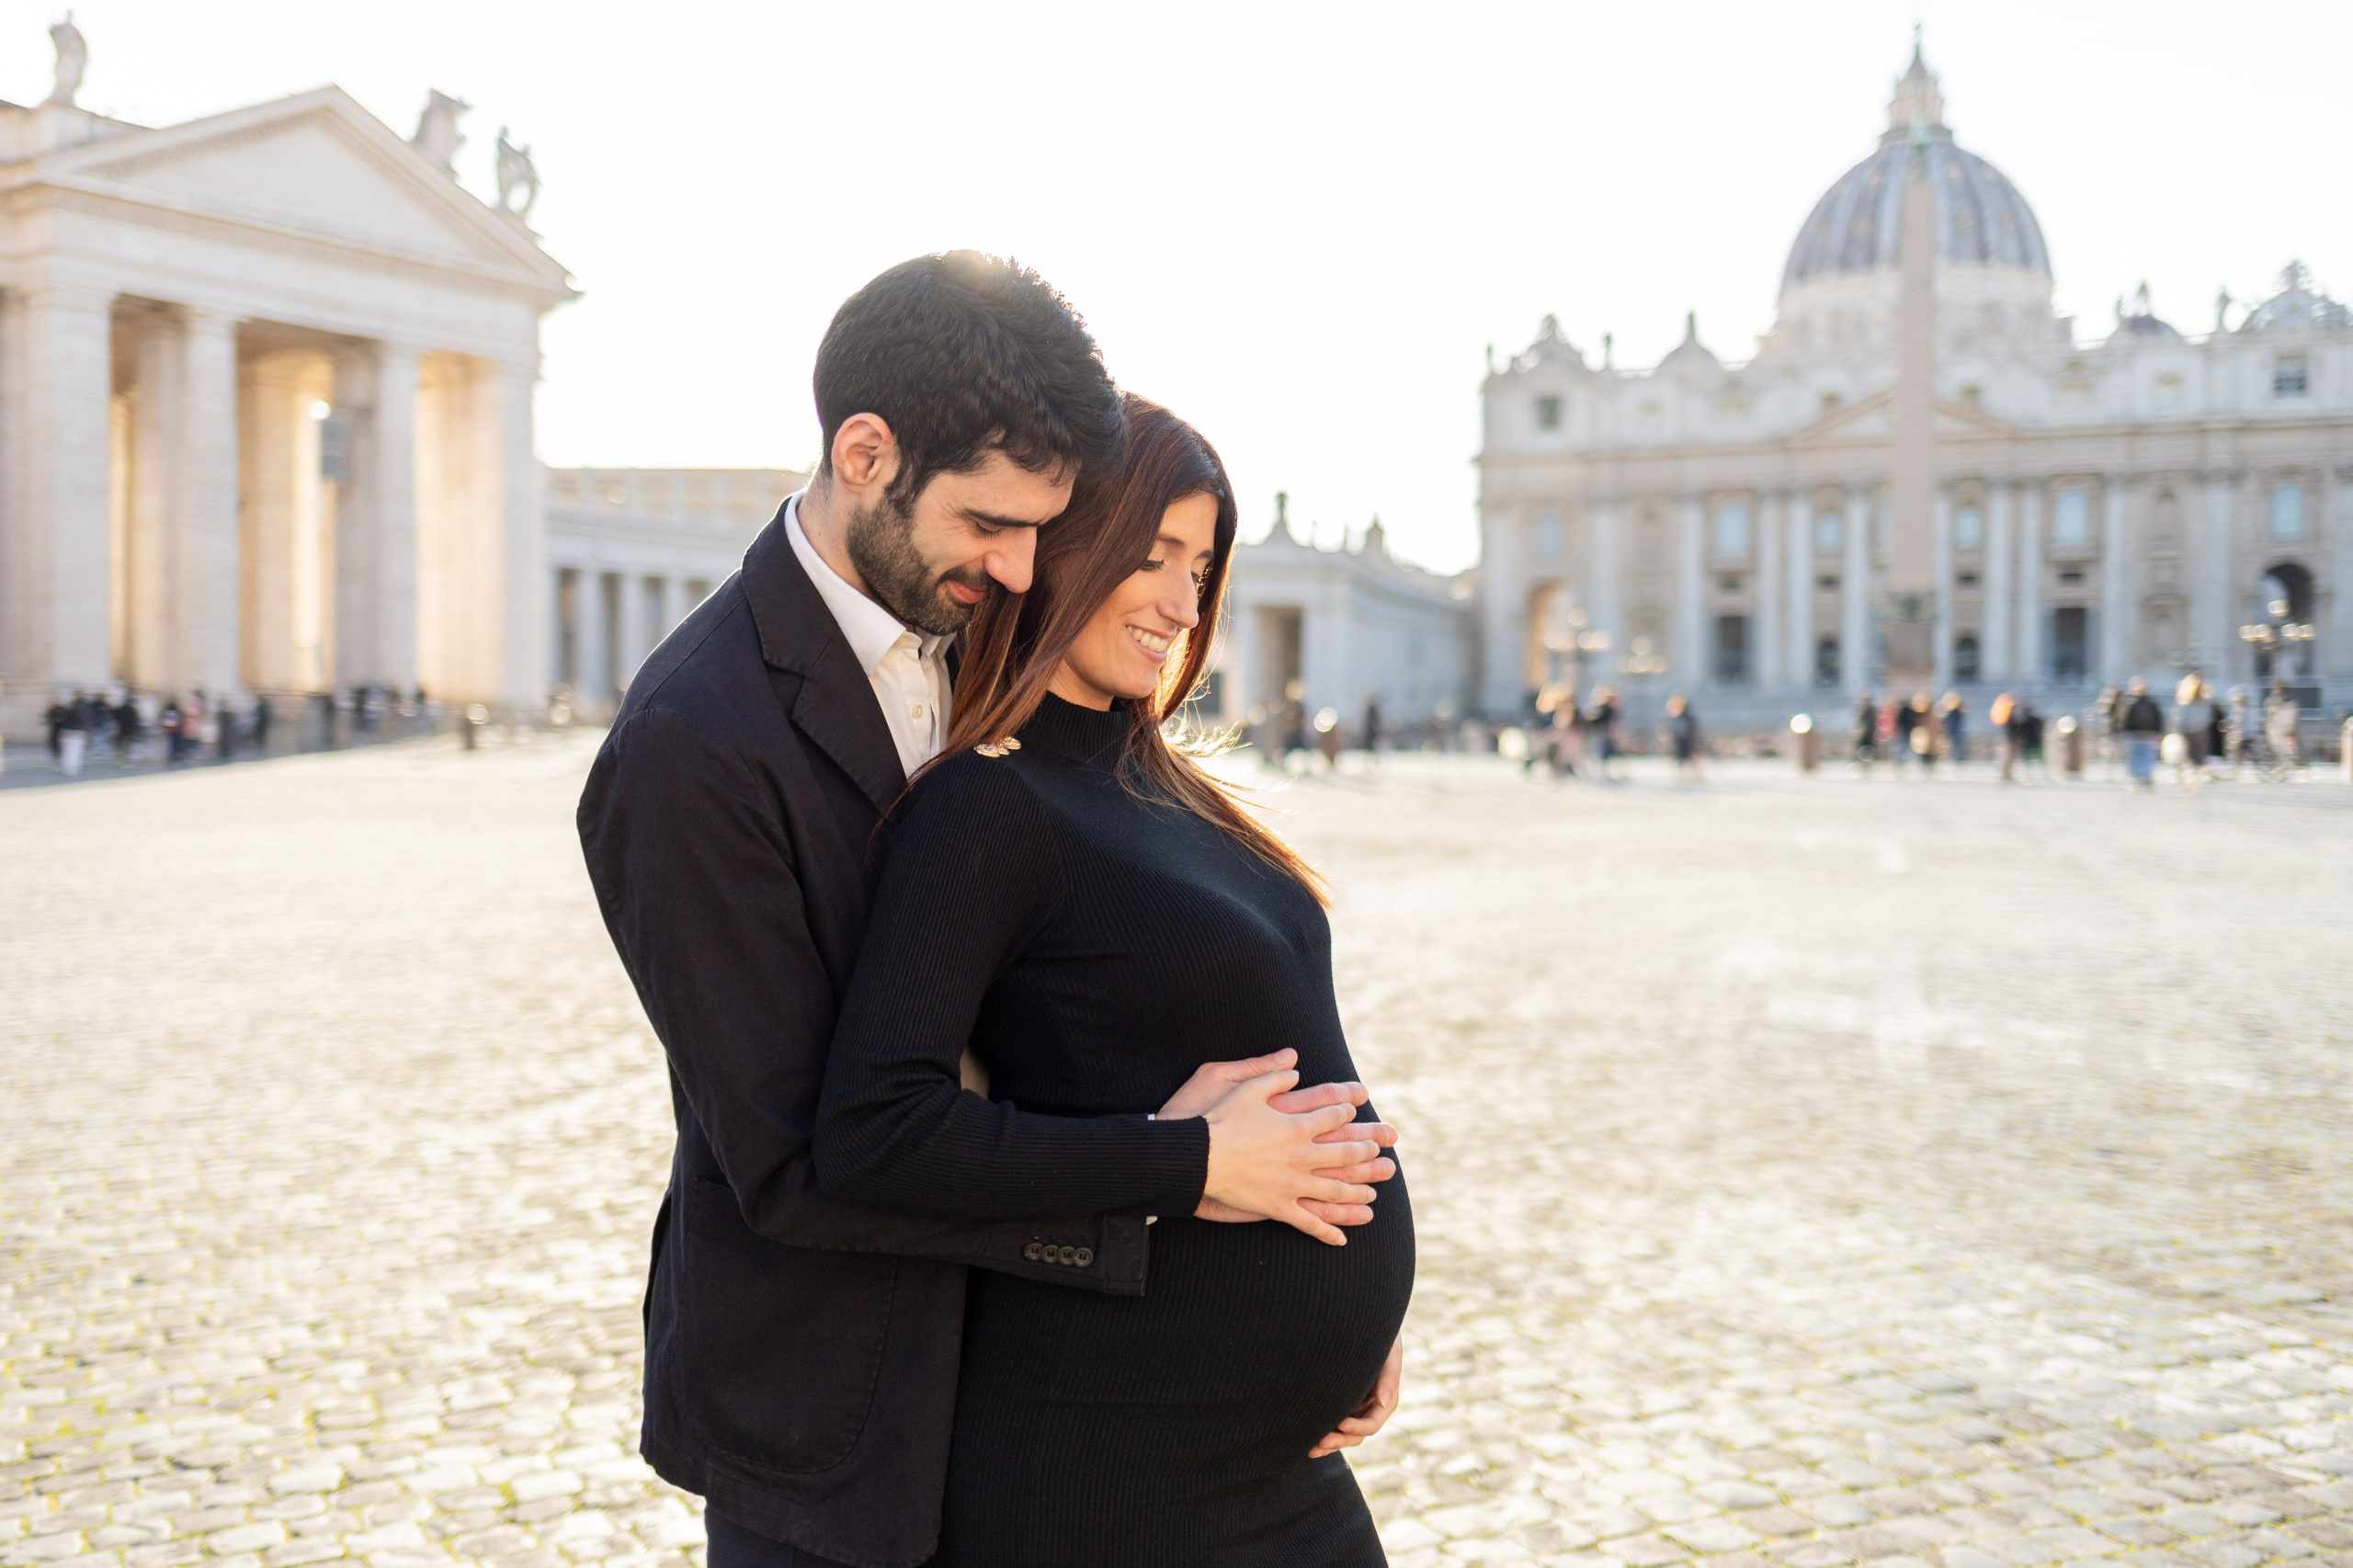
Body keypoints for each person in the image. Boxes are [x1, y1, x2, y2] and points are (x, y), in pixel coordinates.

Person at [576, 256, 1398, 1568]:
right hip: (843, 1420)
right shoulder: (694, 744)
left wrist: (1316, 1311)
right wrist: (1178, 1165)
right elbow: (799, 1155)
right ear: (865, 456)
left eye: (1046, 534)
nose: (1021, 569)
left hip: (1068, 1384)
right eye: (991, 525)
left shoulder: (979, 629)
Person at [815, 397, 1411, 1567]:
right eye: (1152, 554)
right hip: (1118, 1462)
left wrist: (1356, 1320)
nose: (1183, 603)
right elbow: (872, 1129)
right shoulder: (986, 806)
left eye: (1202, 566)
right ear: (1056, 546)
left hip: (1277, 1456)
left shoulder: (1176, 786)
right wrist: (1185, 1161)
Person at [2118, 677, 2165, 789]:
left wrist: (2123, 731)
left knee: (2134, 757)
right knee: (2148, 756)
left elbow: (2125, 719)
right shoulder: (2152, 702)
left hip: (2134, 734)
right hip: (2149, 734)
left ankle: (2135, 778)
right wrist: (2159, 732)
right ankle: (2146, 774)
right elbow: (2158, 718)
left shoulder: (2130, 702)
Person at [2173, 674, 2213, 792]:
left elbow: (2181, 717)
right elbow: (2208, 718)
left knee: (2187, 757)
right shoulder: (2205, 701)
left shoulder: (2186, 700)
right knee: (2198, 759)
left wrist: (2179, 730)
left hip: (2188, 732)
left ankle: (2188, 779)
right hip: (2200, 731)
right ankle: (2196, 781)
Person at [1665, 692, 1702, 779]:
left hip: (1687, 739)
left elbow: (1692, 728)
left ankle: (1694, 773)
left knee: (1689, 756)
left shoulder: (1687, 717)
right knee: (1679, 757)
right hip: (1679, 740)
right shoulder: (1675, 717)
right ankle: (1681, 773)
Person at [55, 692, 88, 777]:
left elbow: (61, 720)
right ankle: (72, 768)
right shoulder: (84, 709)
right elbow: (87, 721)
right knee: (75, 752)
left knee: (66, 751)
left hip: (66, 732)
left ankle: (65, 766)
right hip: (77, 732)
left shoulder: (67, 708)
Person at [1989, 692, 2017, 781]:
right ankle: (2006, 772)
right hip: (2010, 736)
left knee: (2008, 754)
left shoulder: (2006, 713)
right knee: (2009, 754)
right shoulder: (2009, 714)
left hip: (2008, 735)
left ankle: (2006, 772)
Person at [1852, 690, 1880, 775]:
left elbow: (1874, 723)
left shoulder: (1871, 710)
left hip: (1869, 733)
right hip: (1862, 734)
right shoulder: (1860, 710)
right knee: (1861, 750)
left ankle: (1867, 766)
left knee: (1869, 750)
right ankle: (1863, 766)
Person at [1939, 690, 1968, 767]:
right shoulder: (1949, 711)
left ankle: (1957, 760)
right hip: (1952, 731)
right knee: (1952, 747)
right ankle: (1954, 760)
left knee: (1957, 747)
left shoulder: (1957, 710)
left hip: (1957, 731)